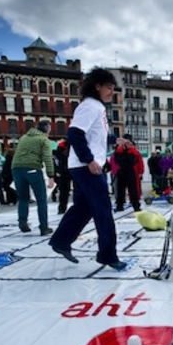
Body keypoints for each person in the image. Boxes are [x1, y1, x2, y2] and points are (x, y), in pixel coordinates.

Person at [49, 67, 126, 270]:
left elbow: (95, 135)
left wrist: (114, 139)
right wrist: (90, 160)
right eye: (109, 88)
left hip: (84, 166)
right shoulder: (91, 106)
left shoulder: (97, 108)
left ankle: (60, 241)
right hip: (87, 167)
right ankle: (107, 255)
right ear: (97, 86)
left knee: (83, 208)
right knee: (103, 211)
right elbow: (75, 134)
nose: (112, 92)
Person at [12, 121, 55, 234]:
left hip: (16, 168)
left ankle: (22, 222)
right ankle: (43, 226)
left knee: (23, 198)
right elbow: (47, 158)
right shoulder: (43, 140)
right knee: (41, 199)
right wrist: (51, 175)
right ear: (46, 131)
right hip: (32, 168)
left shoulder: (23, 137)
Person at [113, 137, 142, 212]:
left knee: (133, 190)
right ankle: (120, 206)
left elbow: (133, 161)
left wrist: (126, 151)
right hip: (122, 171)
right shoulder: (118, 149)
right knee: (120, 190)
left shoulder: (133, 150)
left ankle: (136, 206)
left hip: (130, 171)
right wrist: (124, 151)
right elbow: (117, 160)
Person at [53, 139, 71, 214]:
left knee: (63, 191)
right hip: (71, 169)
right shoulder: (73, 145)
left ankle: (62, 208)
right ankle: (62, 208)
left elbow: (57, 158)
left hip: (63, 171)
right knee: (76, 190)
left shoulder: (61, 146)